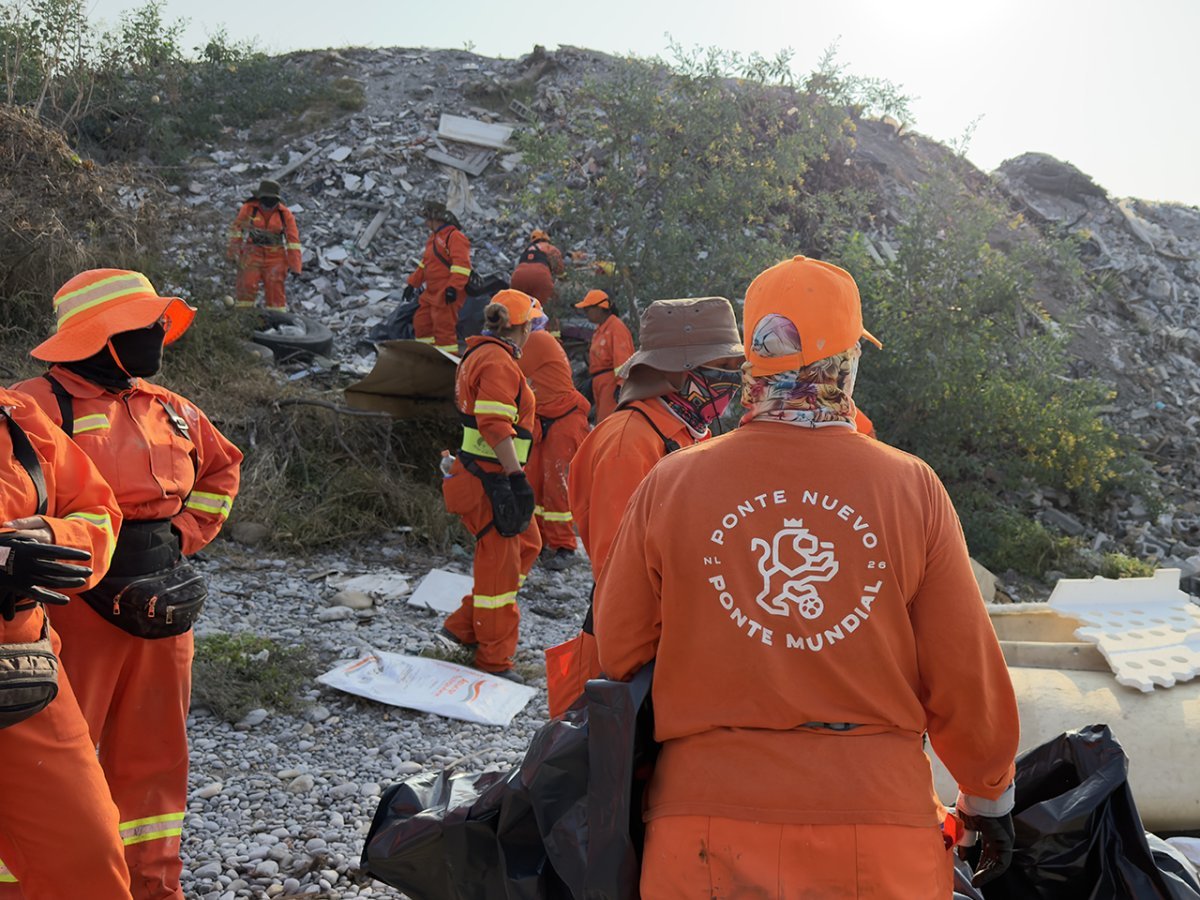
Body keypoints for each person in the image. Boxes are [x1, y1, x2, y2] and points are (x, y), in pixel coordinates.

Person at [593, 257, 1019, 898]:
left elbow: (619, 649)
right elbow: (963, 669)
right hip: (876, 827)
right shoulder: (911, 487)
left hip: (703, 822)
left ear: (753, 358)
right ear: (846, 361)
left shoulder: (671, 482)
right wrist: (987, 796)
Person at [13, 269, 243, 900]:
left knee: (156, 756)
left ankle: (151, 885)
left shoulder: (168, 405)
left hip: (162, 604)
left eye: (158, 325)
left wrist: (184, 537)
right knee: (58, 761)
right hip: (72, 607)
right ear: (99, 337)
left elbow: (222, 471)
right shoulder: (32, 407)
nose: (157, 336)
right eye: (144, 326)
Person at [546, 297, 743, 717]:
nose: (733, 382)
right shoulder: (629, 443)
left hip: (674, 648)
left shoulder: (686, 432)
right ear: (678, 371)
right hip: (634, 664)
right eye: (722, 369)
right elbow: (623, 579)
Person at [0, 388, 132, 899]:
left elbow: (98, 513)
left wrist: (54, 536)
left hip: (20, 668)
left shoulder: (18, 416)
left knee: (88, 856)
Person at [439, 290, 543, 682]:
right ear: (525, 326)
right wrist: (516, 477)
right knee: (499, 577)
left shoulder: (481, 353)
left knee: (528, 544)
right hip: (491, 480)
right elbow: (494, 425)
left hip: (481, 473)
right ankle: (493, 660)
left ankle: (464, 625)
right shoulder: (498, 361)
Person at [517, 312, 590, 571]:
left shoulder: (537, 340)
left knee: (556, 482)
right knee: (534, 480)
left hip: (563, 419)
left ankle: (564, 545)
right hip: (543, 418)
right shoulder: (531, 340)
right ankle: (538, 540)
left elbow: (508, 369)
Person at [403, 200, 473, 354]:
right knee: (422, 323)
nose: (426, 222)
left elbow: (462, 266)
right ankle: (428, 358)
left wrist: (453, 288)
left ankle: (447, 367)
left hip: (446, 292)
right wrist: (412, 284)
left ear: (435, 219)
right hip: (431, 293)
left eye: (427, 218)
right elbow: (425, 264)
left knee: (444, 330)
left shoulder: (455, 237)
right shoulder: (434, 238)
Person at [226, 179, 302, 309]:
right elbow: (236, 231)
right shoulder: (249, 209)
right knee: (247, 286)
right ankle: (244, 317)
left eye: (272, 199)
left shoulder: (285, 214)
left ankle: (277, 321)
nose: (269, 201)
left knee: (275, 290)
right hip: (252, 253)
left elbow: (293, 241)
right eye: (266, 198)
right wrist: (233, 253)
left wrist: (295, 266)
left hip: (276, 256)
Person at [575, 289, 634, 423]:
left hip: (611, 384)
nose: (586, 313)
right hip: (601, 383)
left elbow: (623, 359)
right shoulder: (601, 329)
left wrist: (621, 385)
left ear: (600, 308)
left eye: (588, 309)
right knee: (602, 421)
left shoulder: (616, 327)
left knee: (608, 422)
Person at [509, 228, 565, 304]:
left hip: (518, 277)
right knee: (541, 308)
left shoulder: (526, 250)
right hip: (540, 276)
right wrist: (562, 276)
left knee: (519, 305)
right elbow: (558, 264)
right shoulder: (548, 247)